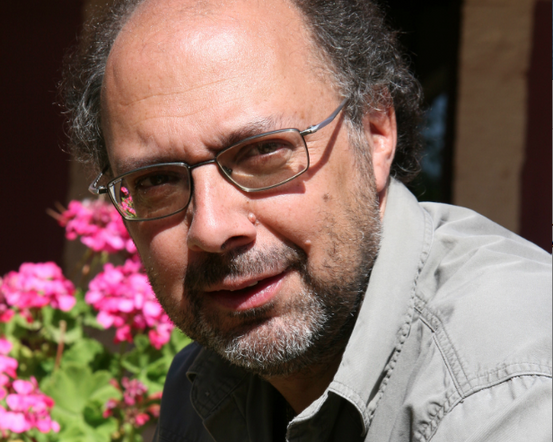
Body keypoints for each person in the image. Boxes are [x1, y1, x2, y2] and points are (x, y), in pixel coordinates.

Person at [60, 0, 552, 440]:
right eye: (155, 180)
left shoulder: (504, 393)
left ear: (375, 132)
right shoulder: (202, 389)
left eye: (262, 152)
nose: (210, 228)